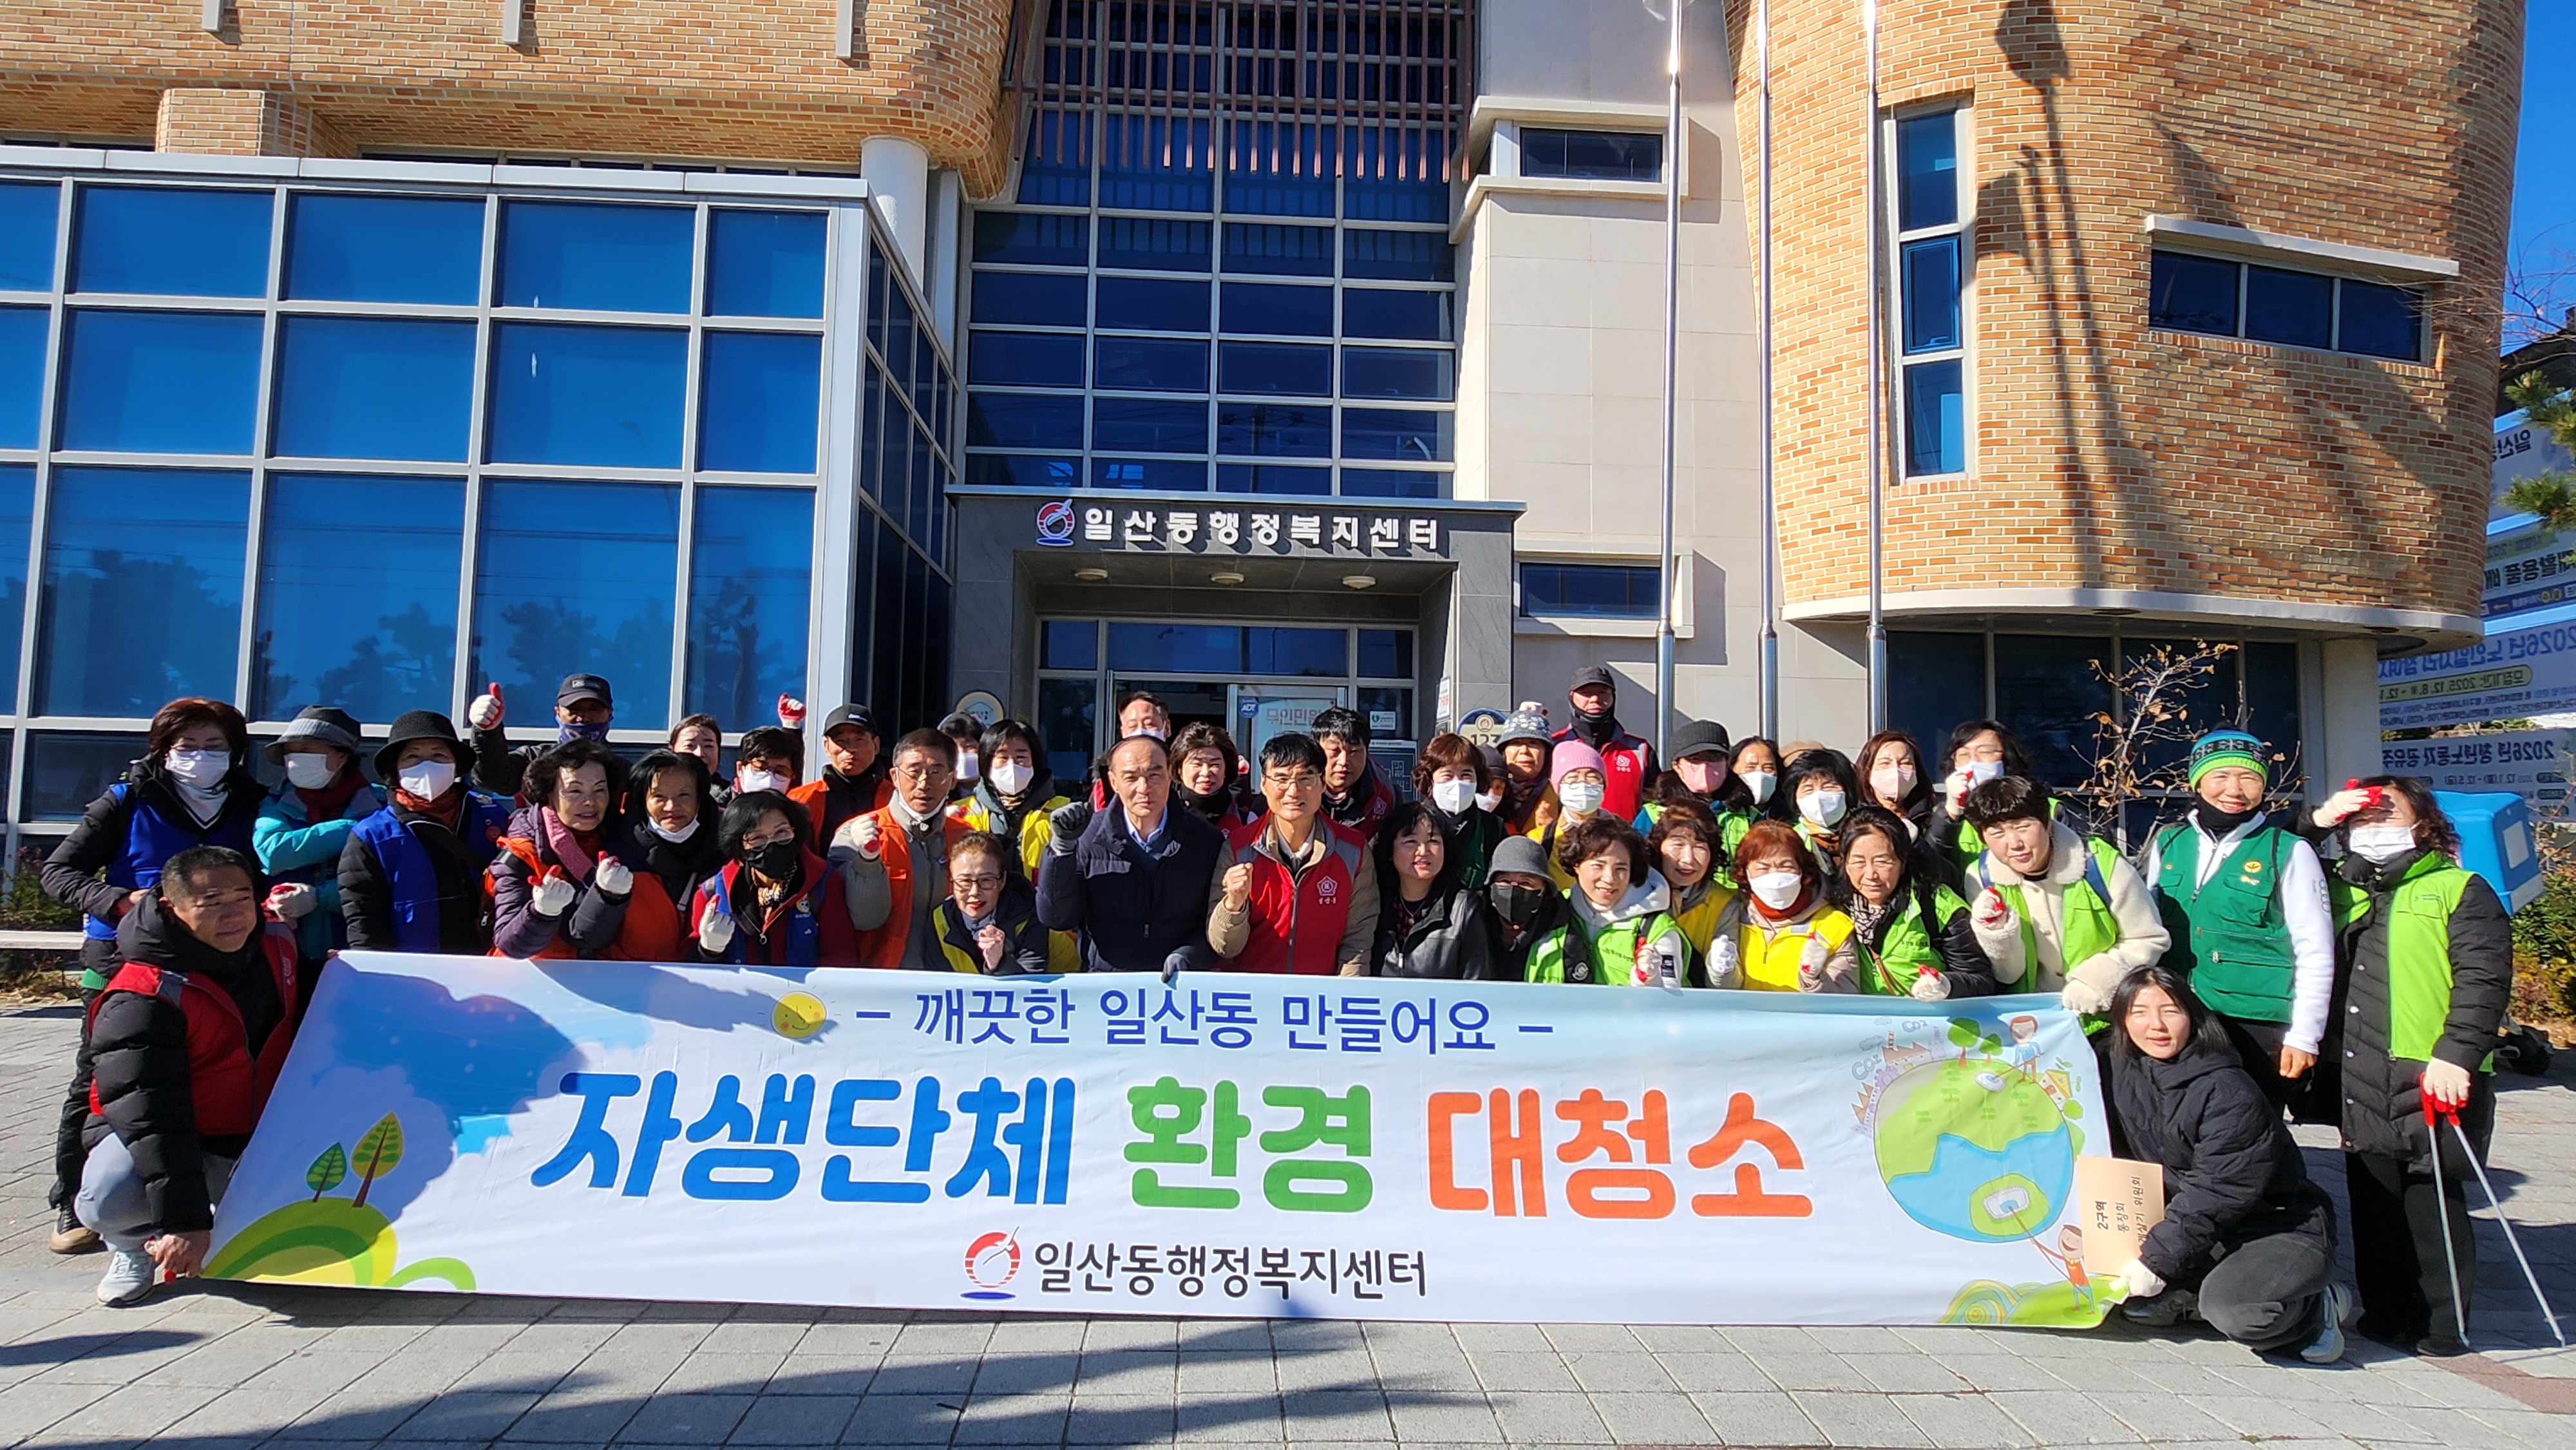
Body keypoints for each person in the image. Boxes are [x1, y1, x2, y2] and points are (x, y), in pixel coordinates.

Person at [41, 699, 267, 1254]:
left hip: (219, 959)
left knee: (210, 1069)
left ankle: (194, 1192)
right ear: (163, 750)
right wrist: (120, 902)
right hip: (125, 957)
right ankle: (73, 1201)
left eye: (215, 746)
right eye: (188, 746)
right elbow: (59, 871)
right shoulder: (128, 799)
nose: (201, 756)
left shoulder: (252, 802)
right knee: (100, 1082)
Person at [2322, 776, 2511, 1357]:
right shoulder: (2343, 888)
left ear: (2423, 823)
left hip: (2430, 1067)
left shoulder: (2458, 889)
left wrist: (2458, 1054)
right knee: (2374, 1196)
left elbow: (2483, 980)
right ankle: (2385, 1312)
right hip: (2360, 1065)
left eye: (2387, 814)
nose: (2373, 828)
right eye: (2362, 819)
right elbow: (2271, 851)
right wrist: (2320, 816)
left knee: (2431, 1196)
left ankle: (2442, 1323)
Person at [75, 846, 303, 1306]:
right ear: (170, 907)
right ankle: (133, 1245)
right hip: (178, 1136)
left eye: (242, 898)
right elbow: (153, 1118)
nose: (233, 915)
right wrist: (184, 1222)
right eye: (211, 902)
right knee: (110, 1197)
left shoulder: (277, 942)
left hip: (258, 1131)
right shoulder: (141, 996)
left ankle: (221, 1215)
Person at [2103, 965, 2349, 1363]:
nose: (2156, 1026)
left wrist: (2158, 1261)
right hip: (2202, 1229)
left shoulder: (2228, 1091)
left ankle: (2314, 1309)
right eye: (2140, 1013)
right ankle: (2191, 1290)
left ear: (2193, 1017)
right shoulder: (2121, 1066)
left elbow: (2217, 1191)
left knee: (2240, 1312)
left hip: (2273, 1224)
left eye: (2170, 1011)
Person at [2145, 730, 2334, 1113]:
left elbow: (2316, 950)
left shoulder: (2288, 850)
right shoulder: (2169, 843)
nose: (2234, 789)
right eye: (2221, 776)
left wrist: (2305, 1036)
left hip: (2257, 1026)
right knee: (2177, 1122)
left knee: (2250, 1126)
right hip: (2180, 1014)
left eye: (2249, 778)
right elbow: (2146, 929)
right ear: (2197, 782)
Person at [1961, 775, 2168, 1016]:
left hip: (2104, 1017)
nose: (2014, 843)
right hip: (2031, 1020)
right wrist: (1996, 935)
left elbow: (2148, 938)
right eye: (1997, 833)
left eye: (2023, 827)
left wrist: (2097, 982)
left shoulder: (2101, 865)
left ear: (2047, 823)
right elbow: (2008, 974)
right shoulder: (1982, 877)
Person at [1036, 734, 1225, 975]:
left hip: (1179, 984)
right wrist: (1062, 849)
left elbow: (1214, 921)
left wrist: (1189, 955)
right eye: (1131, 778)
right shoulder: (1087, 836)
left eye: (1154, 775)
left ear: (1170, 775)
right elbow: (1056, 918)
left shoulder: (1205, 840)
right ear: (1114, 782)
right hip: (1107, 985)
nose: (1144, 788)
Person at [339, 711, 513, 955]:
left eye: (438, 755)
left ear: (456, 765)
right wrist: (377, 971)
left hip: (495, 964)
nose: (427, 765)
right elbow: (364, 922)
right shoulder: (372, 836)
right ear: (396, 768)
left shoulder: (492, 816)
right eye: (412, 756)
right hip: (416, 971)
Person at [1210, 733, 1379, 975]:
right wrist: (1233, 904)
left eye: (1305, 778)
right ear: (1264, 785)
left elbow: (1357, 942)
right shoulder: (1238, 849)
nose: (1293, 791)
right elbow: (1225, 947)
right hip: (1254, 993)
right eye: (1281, 778)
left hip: (1322, 995)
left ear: (1322, 783)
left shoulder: (1353, 850)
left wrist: (1345, 994)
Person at [251, 706, 383, 989]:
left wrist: (319, 897)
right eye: (290, 752)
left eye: (307, 750)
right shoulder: (276, 802)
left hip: (359, 948)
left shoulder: (383, 803)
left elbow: (384, 880)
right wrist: (357, 829)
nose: (295, 760)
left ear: (342, 757)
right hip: (285, 952)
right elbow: (274, 853)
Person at [951, 718, 1079, 970]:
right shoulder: (960, 815)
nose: (1012, 766)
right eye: (1002, 757)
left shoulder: (1062, 812)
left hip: (1051, 940)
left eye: (1021, 757)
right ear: (987, 762)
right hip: (972, 941)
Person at [842, 730, 974, 970]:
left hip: (952, 981)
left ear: (952, 780)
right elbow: (864, 918)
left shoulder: (967, 838)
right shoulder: (857, 834)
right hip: (883, 981)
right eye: (914, 772)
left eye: (936, 772)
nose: (924, 783)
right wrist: (868, 860)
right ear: (894, 776)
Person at [488, 739, 629, 960]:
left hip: (603, 975)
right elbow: (510, 945)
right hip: (531, 976)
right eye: (575, 791)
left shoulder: (621, 841)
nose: (590, 801)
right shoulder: (522, 853)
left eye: (600, 790)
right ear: (550, 794)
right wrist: (542, 912)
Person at [1833, 805, 1994, 1000]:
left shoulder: (1936, 904)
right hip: (1865, 1019)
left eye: (1883, 862)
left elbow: (1980, 979)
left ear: (1903, 863)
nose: (1870, 875)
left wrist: (1946, 985)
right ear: (1845, 863)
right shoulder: (1836, 908)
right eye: (1858, 862)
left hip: (1927, 1017)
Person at [690, 791, 860, 967]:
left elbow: (841, 959)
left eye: (781, 832)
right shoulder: (713, 893)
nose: (771, 844)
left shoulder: (823, 883)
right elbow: (687, 969)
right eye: (757, 838)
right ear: (740, 846)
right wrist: (708, 951)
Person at [1525, 817, 1687, 986]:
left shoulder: (1655, 928)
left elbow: (1670, 994)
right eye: (1598, 866)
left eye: (1621, 868)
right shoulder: (1554, 910)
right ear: (1576, 864)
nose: (1610, 878)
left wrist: (1652, 983)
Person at [595, 749, 721, 962]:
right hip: (627, 977)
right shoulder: (615, 856)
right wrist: (606, 898)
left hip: (704, 980)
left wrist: (711, 951)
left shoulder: (724, 854)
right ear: (642, 800)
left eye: (684, 795)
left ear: (700, 799)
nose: (672, 807)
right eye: (659, 797)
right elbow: (589, 938)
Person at [1708, 821, 1859, 992]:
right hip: (1744, 1010)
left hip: (1803, 1011)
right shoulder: (1735, 913)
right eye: (1763, 868)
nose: (1776, 877)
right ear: (1745, 872)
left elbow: (1846, 998)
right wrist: (1720, 972)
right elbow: (1724, 991)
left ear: (1802, 870)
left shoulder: (1834, 925)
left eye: (1785, 866)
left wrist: (1813, 979)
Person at [1368, 801, 1499, 979]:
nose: (1423, 851)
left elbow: (1477, 982)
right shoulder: (1374, 903)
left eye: (1433, 841)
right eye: (1411, 841)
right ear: (1390, 851)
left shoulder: (1463, 908)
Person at [465, 673, 623, 797]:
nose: (584, 718)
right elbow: (493, 779)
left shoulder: (623, 771)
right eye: (574, 710)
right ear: (558, 712)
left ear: (610, 714)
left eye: (594, 709)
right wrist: (488, 732)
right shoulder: (534, 759)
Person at [1929, 719, 2040, 876]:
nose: (1974, 761)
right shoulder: (1940, 816)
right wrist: (1951, 813)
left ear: (2006, 758)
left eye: (1985, 752)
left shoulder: (2044, 806)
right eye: (1963, 754)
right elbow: (1931, 865)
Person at [933, 831, 1051, 975]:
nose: (974, 892)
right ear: (951, 881)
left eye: (986, 880)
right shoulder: (940, 921)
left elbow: (1033, 982)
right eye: (964, 881)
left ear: (1002, 881)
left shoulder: (1029, 914)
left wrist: (999, 962)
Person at [1553, 666, 1656, 824]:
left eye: (1603, 692)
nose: (1595, 699)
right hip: (1563, 837)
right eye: (1586, 693)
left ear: (1613, 696)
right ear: (1572, 697)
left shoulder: (1640, 750)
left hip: (1625, 838)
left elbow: (1656, 806)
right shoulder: (1553, 746)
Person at [1485, 836, 1592, 983]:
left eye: (1526, 882)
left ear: (1543, 890)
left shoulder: (1566, 942)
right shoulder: (1474, 925)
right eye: (1505, 881)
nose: (1514, 890)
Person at [1415, 731, 1507, 890]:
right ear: (1430, 779)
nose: (1457, 783)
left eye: (1466, 775)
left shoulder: (1492, 828)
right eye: (1447, 775)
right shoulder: (1410, 823)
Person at [789, 704, 891, 847]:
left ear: (876, 745)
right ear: (826, 747)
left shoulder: (896, 799)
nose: (851, 749)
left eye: (859, 739)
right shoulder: (801, 799)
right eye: (841, 741)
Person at [1646, 798, 1732, 965]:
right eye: (1678, 845)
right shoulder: (1635, 893)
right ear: (1658, 846)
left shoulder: (1724, 903)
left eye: (1700, 848)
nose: (1688, 859)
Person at [1531, 739, 1612, 889]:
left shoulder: (1622, 835)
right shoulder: (1541, 839)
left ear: (1603, 785)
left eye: (1592, 777)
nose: (1583, 784)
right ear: (1559, 787)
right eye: (1573, 778)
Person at [1313, 706, 1397, 844]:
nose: (1344, 761)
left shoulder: (1384, 795)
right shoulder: (1297, 787)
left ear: (1366, 752)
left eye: (1354, 751)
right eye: (1334, 751)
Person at [1775, 747, 1860, 876]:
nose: (1819, 797)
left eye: (1829, 787)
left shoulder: (1865, 833)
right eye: (1808, 789)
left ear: (1848, 792)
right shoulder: (1789, 840)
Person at [1171, 722, 1255, 829]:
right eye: (1197, 764)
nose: (1205, 773)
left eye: (1215, 765)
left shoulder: (1247, 821)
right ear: (1179, 769)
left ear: (1226, 769)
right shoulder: (1162, 817)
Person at [1855, 730, 1934, 837]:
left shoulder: (1931, 816)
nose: (1896, 770)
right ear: (1867, 772)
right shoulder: (1856, 818)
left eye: (1905, 763)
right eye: (1885, 763)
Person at [1494, 706, 1558, 834]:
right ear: (1503, 752)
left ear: (1546, 753)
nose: (1524, 750)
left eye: (1533, 743)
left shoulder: (1560, 795)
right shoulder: (1489, 790)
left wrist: (1553, 830)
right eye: (1516, 743)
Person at [668, 714, 730, 809]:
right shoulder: (654, 792)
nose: (699, 753)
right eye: (690, 746)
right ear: (672, 750)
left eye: (708, 746)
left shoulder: (732, 797)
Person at [733, 725, 802, 796]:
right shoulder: (726, 801)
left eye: (780, 772)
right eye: (761, 768)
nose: (769, 779)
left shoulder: (800, 801)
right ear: (740, 769)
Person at [938, 712, 986, 802]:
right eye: (953, 748)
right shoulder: (935, 793)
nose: (961, 753)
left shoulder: (998, 791)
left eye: (969, 746)